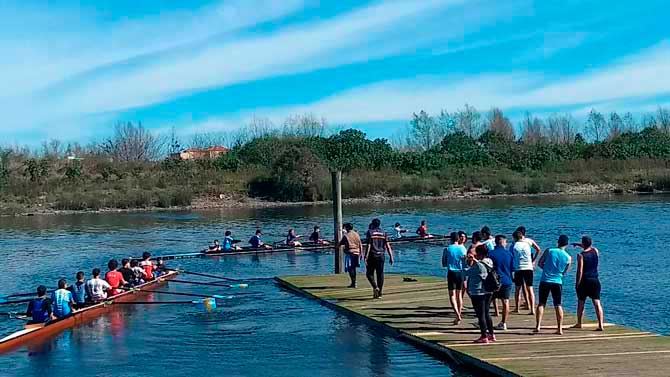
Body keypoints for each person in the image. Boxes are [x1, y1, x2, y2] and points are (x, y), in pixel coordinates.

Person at [535, 235, 572, 335]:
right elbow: (565, 271)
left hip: (545, 280)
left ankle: (538, 326)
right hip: (557, 281)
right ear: (567, 244)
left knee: (541, 303)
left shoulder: (549, 250)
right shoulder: (568, 257)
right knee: (558, 304)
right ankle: (559, 328)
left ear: (558, 242)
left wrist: (546, 269)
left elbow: (540, 263)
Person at [572, 236, 604, 331]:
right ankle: (600, 324)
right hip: (595, 280)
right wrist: (578, 245)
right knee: (597, 303)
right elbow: (587, 247)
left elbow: (580, 271)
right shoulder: (596, 251)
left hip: (585, 281)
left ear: (583, 244)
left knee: (581, 302)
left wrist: (577, 282)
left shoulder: (581, 255)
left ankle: (579, 323)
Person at [464, 245, 495, 343]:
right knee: (487, 313)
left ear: (479, 253)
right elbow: (482, 266)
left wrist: (464, 262)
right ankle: (491, 334)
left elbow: (466, 273)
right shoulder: (489, 261)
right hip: (488, 291)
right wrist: (475, 260)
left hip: (478, 292)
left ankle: (483, 336)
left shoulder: (478, 265)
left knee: (480, 315)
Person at [488, 235, 514, 330]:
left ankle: (484, 320)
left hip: (494, 281)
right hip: (507, 280)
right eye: (505, 242)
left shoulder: (491, 254)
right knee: (505, 301)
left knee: (488, 300)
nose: (506, 244)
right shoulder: (509, 254)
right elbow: (512, 268)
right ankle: (504, 322)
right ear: (502, 242)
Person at [364, 218, 394, 299]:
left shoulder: (370, 232)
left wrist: (365, 256)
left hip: (372, 255)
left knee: (369, 273)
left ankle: (375, 287)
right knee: (380, 274)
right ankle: (380, 292)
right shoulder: (383, 233)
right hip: (381, 255)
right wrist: (391, 256)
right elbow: (387, 245)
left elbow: (369, 245)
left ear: (372, 224)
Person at [442, 232, 467, 324]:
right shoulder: (463, 249)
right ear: (458, 239)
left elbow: (444, 263)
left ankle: (457, 315)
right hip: (460, 273)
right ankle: (459, 314)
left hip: (451, 272)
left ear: (451, 239)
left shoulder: (447, 249)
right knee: (459, 295)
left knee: (452, 295)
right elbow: (465, 263)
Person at [511, 230, 536, 314]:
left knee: (517, 289)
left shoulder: (514, 245)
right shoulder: (527, 244)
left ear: (514, 238)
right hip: (529, 267)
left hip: (519, 268)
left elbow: (512, 257)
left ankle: (517, 308)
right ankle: (532, 309)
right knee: (530, 289)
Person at [340, 223, 363, 288]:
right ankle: (354, 282)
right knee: (354, 268)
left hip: (350, 253)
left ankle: (354, 282)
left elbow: (340, 243)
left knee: (350, 268)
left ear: (347, 228)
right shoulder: (357, 234)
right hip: (357, 253)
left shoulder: (346, 235)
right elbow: (360, 244)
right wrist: (361, 253)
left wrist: (337, 246)